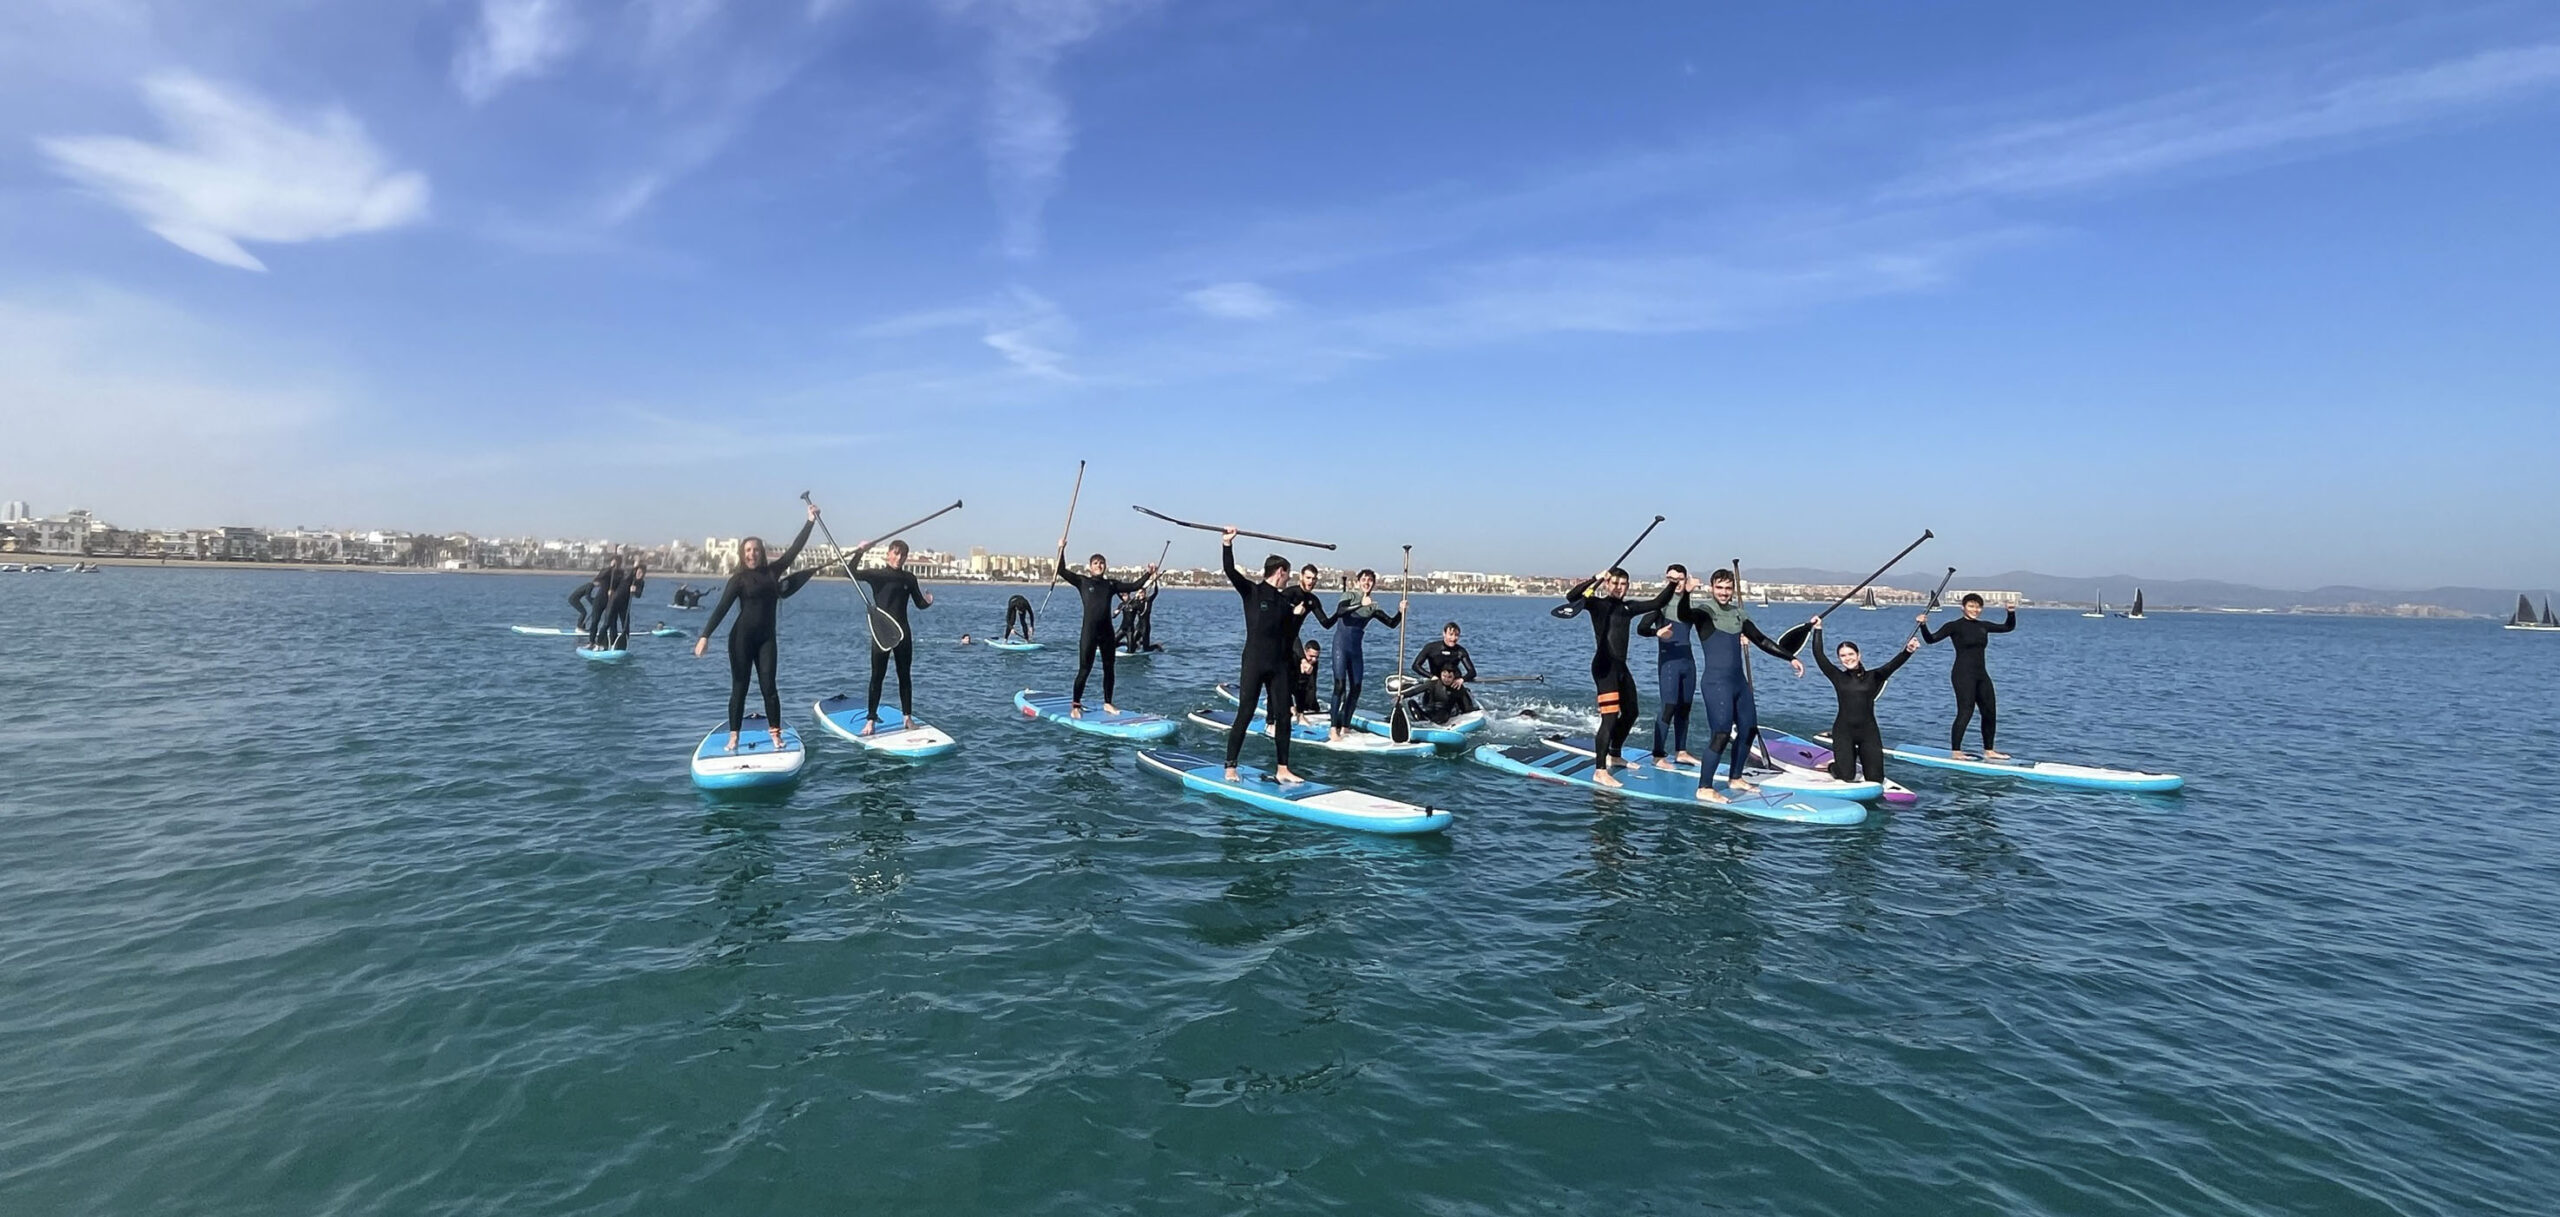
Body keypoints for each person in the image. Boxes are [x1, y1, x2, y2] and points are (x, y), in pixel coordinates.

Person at [692, 504, 821, 753]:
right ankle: (734, 737)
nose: (752, 554)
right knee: (739, 688)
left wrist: (809, 522)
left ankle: (775, 735)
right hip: (741, 639)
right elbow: (721, 608)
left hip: (766, 640)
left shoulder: (773, 572)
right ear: (743, 554)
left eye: (756, 550)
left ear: (762, 553)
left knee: (769, 688)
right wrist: (705, 636)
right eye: (748, 550)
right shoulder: (738, 580)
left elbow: (794, 550)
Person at [1674, 568, 1801, 802]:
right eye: (1719, 587)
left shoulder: (1739, 615)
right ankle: (1704, 787)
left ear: (1733, 590)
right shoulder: (1704, 612)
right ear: (1712, 588)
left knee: (1749, 728)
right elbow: (1684, 615)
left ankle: (1735, 777)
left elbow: (1761, 640)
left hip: (1738, 683)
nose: (1724, 592)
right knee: (1721, 733)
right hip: (1716, 682)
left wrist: (1789, 658)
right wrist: (1686, 594)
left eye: (1728, 588)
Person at [1555, 568, 1675, 787]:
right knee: (1609, 718)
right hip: (1604, 666)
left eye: (1623, 584)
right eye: (1615, 583)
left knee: (1631, 712)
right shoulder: (1597, 604)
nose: (1619, 587)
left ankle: (1615, 754)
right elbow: (1572, 597)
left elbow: (1657, 602)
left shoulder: (1628, 607)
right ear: (1608, 584)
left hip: (1620, 667)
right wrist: (1596, 578)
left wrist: (1673, 584)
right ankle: (1599, 770)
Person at [1221, 528, 1313, 783]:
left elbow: (1289, 637)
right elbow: (1230, 571)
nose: (1288, 579)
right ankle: (1230, 766)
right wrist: (1227, 544)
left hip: (1278, 665)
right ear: (1280, 571)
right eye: (1288, 574)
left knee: (1284, 716)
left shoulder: (1285, 603)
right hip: (1254, 662)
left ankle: (1282, 768)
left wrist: (1298, 617)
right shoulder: (1252, 591)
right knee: (1246, 712)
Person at [1809, 619, 1919, 783]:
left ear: (1859, 655)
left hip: (1868, 732)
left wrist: (1908, 651)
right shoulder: (1837, 677)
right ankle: (1834, 766)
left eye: (1851, 654)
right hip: (1844, 731)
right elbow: (1819, 655)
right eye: (1843, 656)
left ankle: (1848, 761)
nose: (1847, 658)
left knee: (1875, 779)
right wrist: (1818, 629)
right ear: (1839, 659)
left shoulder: (1874, 676)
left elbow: (1893, 665)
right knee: (1847, 776)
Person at [1056, 542, 1156, 717]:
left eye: (1102, 563)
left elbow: (1133, 586)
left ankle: (1108, 703)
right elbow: (1061, 570)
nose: (1099, 565)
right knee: (1084, 669)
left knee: (1109, 668)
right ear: (1090, 566)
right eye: (1095, 563)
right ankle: (1075, 706)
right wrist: (1061, 549)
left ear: (1105, 566)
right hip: (1089, 632)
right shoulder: (1082, 581)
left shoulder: (1111, 584)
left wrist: (1148, 573)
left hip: (1107, 632)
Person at [1918, 594, 2018, 759]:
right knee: (1966, 711)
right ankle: (1956, 751)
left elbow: (2008, 627)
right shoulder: (1954, 626)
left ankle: (1989, 750)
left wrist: (2011, 612)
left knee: (1989, 711)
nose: (1975, 610)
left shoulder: (1983, 626)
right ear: (1963, 607)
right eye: (1971, 606)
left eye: (1978, 607)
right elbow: (1931, 639)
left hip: (1981, 674)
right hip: (1962, 674)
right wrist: (1923, 625)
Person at [850, 539, 933, 734]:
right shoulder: (877, 575)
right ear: (888, 554)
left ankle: (907, 719)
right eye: (896, 553)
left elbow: (919, 603)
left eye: (903, 555)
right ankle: (870, 721)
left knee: (904, 676)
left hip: (903, 633)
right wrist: (860, 551)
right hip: (881, 633)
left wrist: (928, 601)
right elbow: (849, 572)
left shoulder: (909, 578)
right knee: (877, 676)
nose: (899, 558)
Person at [1328, 569, 1404, 742]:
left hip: (1356, 650)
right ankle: (1333, 729)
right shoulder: (1349, 595)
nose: (1367, 583)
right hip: (1340, 646)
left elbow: (1392, 624)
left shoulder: (1373, 606)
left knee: (1356, 688)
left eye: (1370, 580)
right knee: (1340, 686)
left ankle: (1346, 727)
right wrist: (1360, 603)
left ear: (1373, 584)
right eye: (1364, 579)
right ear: (1358, 581)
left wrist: (1400, 612)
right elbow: (1340, 612)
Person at [1635, 564, 1700, 766]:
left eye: (1680, 579)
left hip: (1688, 663)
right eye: (1672, 580)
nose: (1676, 583)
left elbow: (1702, 623)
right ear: (1666, 580)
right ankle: (1658, 755)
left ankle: (1681, 751)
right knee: (1668, 706)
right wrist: (1657, 633)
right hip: (1669, 663)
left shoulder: (1688, 605)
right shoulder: (1660, 605)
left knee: (1685, 707)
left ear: (1686, 579)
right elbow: (1641, 628)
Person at [1407, 665, 1478, 725]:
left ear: (1454, 677)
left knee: (1441, 716)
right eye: (1444, 676)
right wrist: (1402, 695)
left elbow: (1466, 707)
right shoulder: (1433, 683)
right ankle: (1422, 723)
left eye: (1449, 677)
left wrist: (1474, 712)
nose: (1446, 679)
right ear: (1440, 675)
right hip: (1429, 711)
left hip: (1444, 713)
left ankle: (1431, 724)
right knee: (1411, 702)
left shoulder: (1457, 687)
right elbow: (1415, 691)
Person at [1115, 579, 1162, 653]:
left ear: (1145, 593)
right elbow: (1127, 602)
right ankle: (1138, 644)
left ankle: (1156, 646)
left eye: (1143, 593)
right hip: (1138, 626)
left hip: (1145, 627)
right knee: (1133, 642)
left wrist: (1155, 583)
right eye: (1140, 593)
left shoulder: (1148, 600)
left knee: (1146, 648)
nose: (1141, 594)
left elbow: (1155, 593)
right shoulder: (1136, 602)